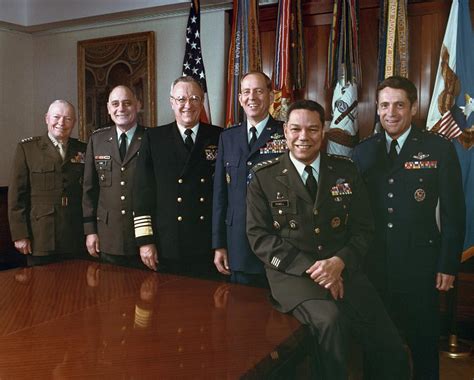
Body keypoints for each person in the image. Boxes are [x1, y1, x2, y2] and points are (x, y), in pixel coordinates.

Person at [246, 99, 409, 380]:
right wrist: (316, 270)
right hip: (293, 276)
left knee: (389, 341)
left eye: (312, 129)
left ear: (323, 131)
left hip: (343, 270)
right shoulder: (264, 177)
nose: (303, 137)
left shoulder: (345, 170)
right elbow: (259, 237)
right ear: (285, 131)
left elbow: (363, 228)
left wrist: (339, 262)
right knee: (330, 322)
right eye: (296, 129)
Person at [352, 76, 466, 379]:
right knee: (375, 345)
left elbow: (455, 213)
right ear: (377, 108)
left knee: (424, 344)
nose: (391, 112)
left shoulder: (438, 149)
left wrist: (448, 265)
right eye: (385, 105)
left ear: (413, 108)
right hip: (374, 265)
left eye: (399, 105)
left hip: (421, 266)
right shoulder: (363, 152)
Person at [133, 76, 221, 276]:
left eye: (194, 99)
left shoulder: (219, 136)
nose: (187, 105)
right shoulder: (154, 138)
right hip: (167, 244)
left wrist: (221, 242)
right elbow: (141, 194)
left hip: (206, 243)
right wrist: (145, 241)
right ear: (172, 102)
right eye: (181, 99)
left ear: (202, 102)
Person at [212, 71, 286, 286]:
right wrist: (219, 245)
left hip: (276, 240)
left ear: (271, 97)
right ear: (240, 98)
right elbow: (220, 195)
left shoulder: (286, 133)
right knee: (239, 312)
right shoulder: (228, 137)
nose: (251, 97)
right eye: (246, 92)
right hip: (238, 243)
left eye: (259, 91)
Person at [8, 100, 87, 266]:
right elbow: (17, 196)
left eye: (67, 119)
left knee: (77, 287)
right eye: (56, 117)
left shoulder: (82, 149)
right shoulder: (28, 149)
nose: (61, 123)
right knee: (42, 288)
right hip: (41, 236)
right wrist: (20, 235)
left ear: (74, 122)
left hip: (75, 234)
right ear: (46, 118)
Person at [82, 85, 146, 268]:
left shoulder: (151, 138)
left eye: (127, 103)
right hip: (108, 236)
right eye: (115, 104)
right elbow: (89, 190)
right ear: (108, 108)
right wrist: (90, 231)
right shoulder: (97, 140)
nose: (121, 109)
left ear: (138, 105)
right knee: (110, 292)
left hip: (142, 237)